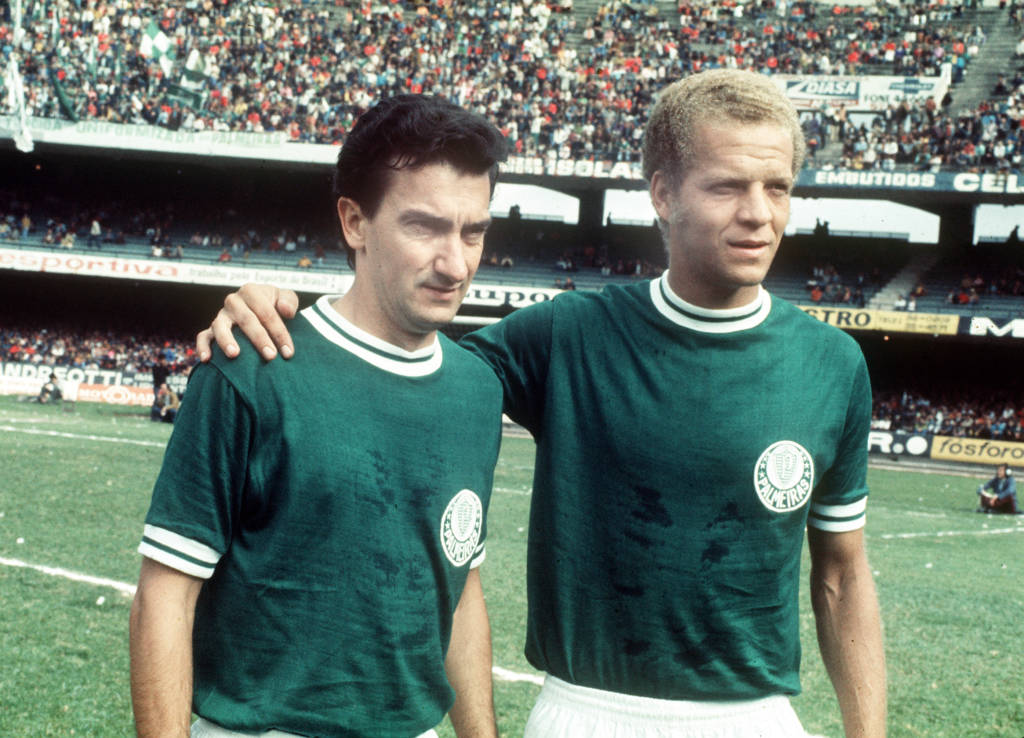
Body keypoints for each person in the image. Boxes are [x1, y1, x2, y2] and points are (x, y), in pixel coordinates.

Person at [199, 71, 886, 737]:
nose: (759, 213)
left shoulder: (831, 365)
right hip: (585, 711)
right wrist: (276, 315)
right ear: (663, 195)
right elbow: (401, 360)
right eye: (727, 186)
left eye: (778, 188)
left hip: (752, 717)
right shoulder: (570, 335)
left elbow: (842, 574)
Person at [130, 95, 508, 738]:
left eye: (473, 231)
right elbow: (165, 596)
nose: (456, 263)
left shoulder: (477, 387)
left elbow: (459, 584)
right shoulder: (253, 365)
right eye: (425, 227)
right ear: (355, 222)